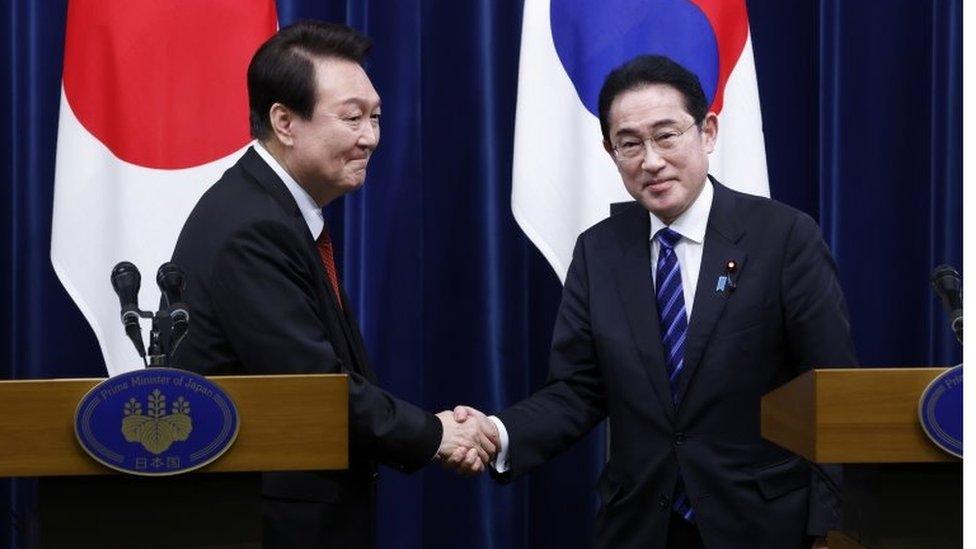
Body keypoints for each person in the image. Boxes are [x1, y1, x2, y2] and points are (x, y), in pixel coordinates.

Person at [452, 55, 856, 548]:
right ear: (609, 151)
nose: (651, 160)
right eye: (629, 144)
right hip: (641, 526)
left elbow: (832, 392)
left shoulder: (784, 237)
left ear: (707, 132)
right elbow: (578, 391)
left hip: (764, 525)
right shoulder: (599, 250)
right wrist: (497, 432)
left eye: (666, 136)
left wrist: (831, 530)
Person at [170, 21, 495, 548]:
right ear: (285, 121)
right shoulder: (254, 225)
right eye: (352, 119)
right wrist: (438, 435)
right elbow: (314, 391)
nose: (371, 137)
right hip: (260, 525)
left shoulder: (274, 209)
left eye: (376, 117)